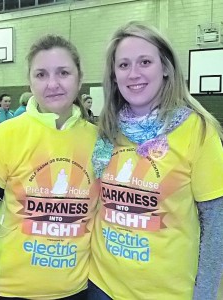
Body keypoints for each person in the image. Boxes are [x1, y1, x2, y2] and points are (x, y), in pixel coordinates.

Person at [88, 21, 223, 300]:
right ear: (114, 75)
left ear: (165, 68)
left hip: (167, 293)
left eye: (145, 62)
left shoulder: (197, 131)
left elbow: (216, 223)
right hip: (101, 285)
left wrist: (206, 293)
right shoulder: (106, 130)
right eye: (123, 65)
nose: (133, 73)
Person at [0, 34, 99, 299]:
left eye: (64, 73)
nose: (53, 84)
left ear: (80, 78)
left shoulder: (98, 141)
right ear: (30, 81)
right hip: (11, 291)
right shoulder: (5, 135)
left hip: (78, 290)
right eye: (41, 74)